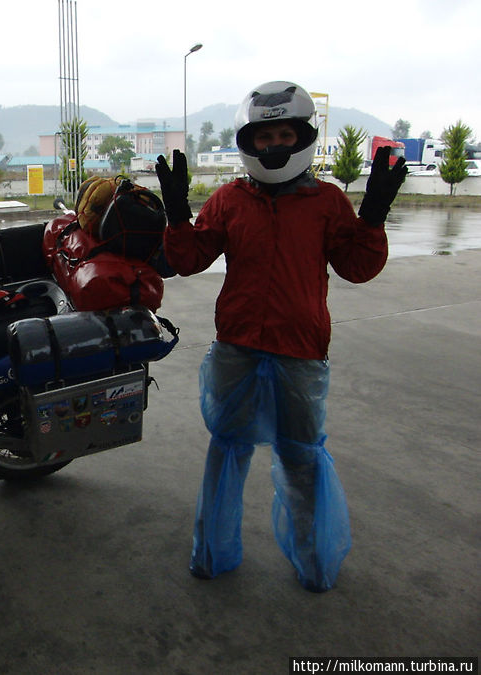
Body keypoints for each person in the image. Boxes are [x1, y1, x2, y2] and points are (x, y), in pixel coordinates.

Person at [155, 80, 407, 592]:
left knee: (301, 458)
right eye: (264, 137)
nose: (274, 145)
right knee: (227, 450)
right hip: (237, 347)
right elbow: (189, 258)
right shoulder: (229, 199)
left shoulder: (327, 202)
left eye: (284, 135)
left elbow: (358, 266)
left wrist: (374, 214)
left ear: (302, 138)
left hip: (300, 351)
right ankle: (211, 553)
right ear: (250, 142)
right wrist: (177, 214)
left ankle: (314, 563)